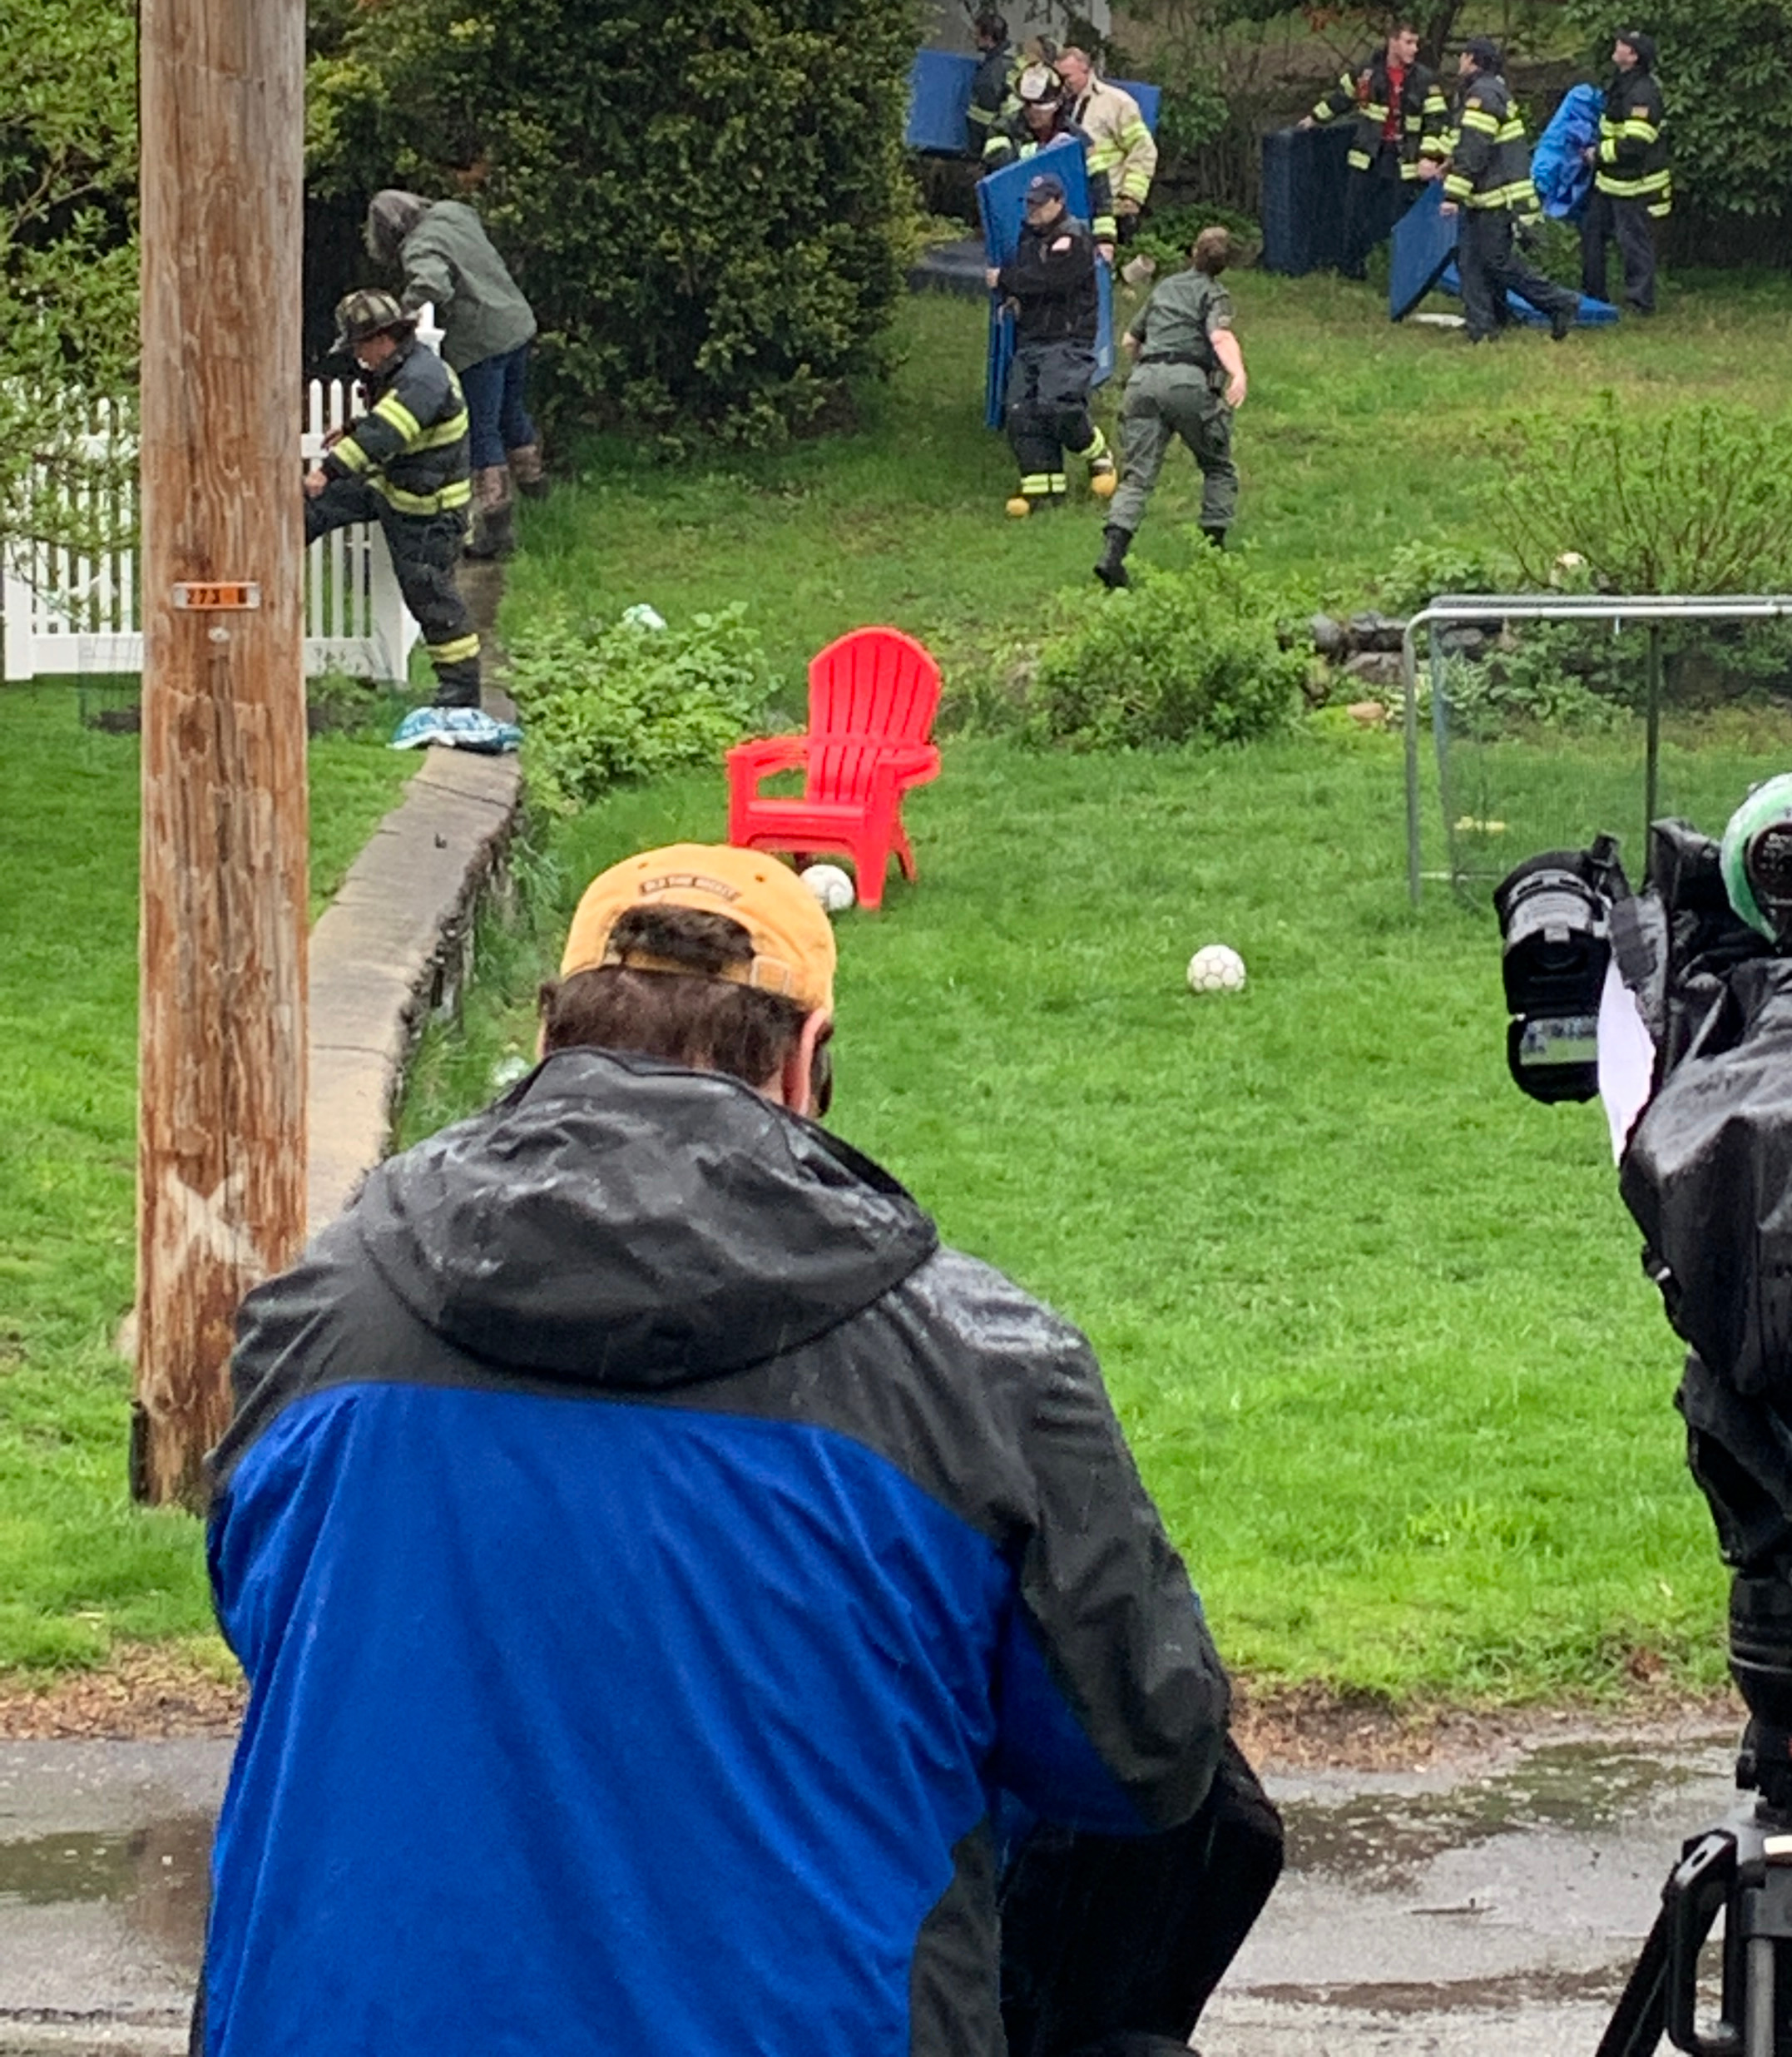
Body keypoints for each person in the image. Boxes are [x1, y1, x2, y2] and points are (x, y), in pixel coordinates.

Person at [195, 842, 1280, 2056]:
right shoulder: (982, 1370)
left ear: (547, 1039)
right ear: (809, 1058)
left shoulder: (314, 1320)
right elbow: (1148, 1752)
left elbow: (264, 1613)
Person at [303, 288, 483, 711]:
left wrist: (327, 471)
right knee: (313, 510)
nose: (358, 357)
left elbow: (387, 433)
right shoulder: (407, 369)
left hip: (430, 512)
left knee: (431, 596)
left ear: (382, 339)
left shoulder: (423, 377)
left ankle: (461, 690)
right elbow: (392, 417)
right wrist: (354, 427)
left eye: (359, 346)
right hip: (396, 489)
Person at [364, 187, 540, 561]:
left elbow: (432, 284)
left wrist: (401, 320)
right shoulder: (453, 212)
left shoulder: (419, 247)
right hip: (516, 323)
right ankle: (536, 489)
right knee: (512, 413)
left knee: (483, 429)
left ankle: (496, 528)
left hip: (480, 342)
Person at [1095, 226, 1247, 589]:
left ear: (1193, 252)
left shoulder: (1165, 288)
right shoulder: (1214, 294)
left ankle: (1112, 555)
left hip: (1143, 383)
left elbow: (1130, 340)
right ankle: (1213, 552)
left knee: (1137, 476)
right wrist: (1238, 373)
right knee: (1217, 466)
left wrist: (1147, 368)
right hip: (1189, 383)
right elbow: (1219, 336)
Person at [989, 169, 1116, 513]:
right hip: (1032, 338)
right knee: (1021, 411)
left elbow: (1050, 281)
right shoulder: (1027, 239)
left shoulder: (1074, 236)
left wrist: (1005, 279)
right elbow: (1030, 283)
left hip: (1068, 338)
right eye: (1030, 203)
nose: (1033, 210)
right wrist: (1015, 297)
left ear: (1059, 202)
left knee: (1059, 406)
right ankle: (1043, 490)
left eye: (1040, 203)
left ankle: (1097, 452)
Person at [1439, 38, 1577, 345]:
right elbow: (1472, 144)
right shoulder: (1488, 90)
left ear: (1471, 59)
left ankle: (1559, 302)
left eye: (1462, 57)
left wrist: (1452, 195)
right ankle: (1482, 328)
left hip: (1494, 196)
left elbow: (1475, 150)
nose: (1459, 62)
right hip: (1486, 194)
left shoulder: (1482, 95)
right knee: (1471, 263)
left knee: (1497, 261)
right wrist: (1449, 162)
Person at [1309, 17, 1452, 280]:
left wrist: (1429, 157)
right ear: (1393, 42)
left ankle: (1403, 273)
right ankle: (1351, 268)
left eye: (1416, 43)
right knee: (1355, 213)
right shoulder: (1366, 72)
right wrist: (1314, 119)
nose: (1414, 49)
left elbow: (1437, 120)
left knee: (1400, 215)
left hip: (1405, 157)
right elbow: (1340, 99)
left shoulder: (1425, 79)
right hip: (1368, 154)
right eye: (1408, 42)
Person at [1580, 27, 1670, 318]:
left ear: (1633, 56)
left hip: (1635, 185)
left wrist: (1598, 154)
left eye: (1623, 44)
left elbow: (1636, 143)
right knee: (1592, 233)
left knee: (1634, 244)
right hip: (1610, 182)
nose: (1616, 46)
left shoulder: (1642, 92)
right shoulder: (1622, 85)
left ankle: (1640, 303)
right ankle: (1593, 297)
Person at [988, 63, 1120, 249]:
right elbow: (1000, 167)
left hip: (1066, 229)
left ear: (1057, 104)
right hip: (1016, 229)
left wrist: (1105, 239)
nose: (1032, 112)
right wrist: (1046, 151)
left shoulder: (1077, 139)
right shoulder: (1002, 130)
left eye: (1040, 106)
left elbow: (1100, 188)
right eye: (1027, 104)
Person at [1053, 45, 1159, 250]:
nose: (1061, 84)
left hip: (1108, 206)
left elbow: (1143, 150)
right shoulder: (1054, 107)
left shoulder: (1117, 103)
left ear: (1086, 70)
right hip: (1070, 206)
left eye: (1067, 77)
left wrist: (1131, 196)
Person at [963, 9, 1014, 165]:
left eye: (977, 35)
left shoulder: (992, 72)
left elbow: (982, 118)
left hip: (993, 143)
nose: (974, 38)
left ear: (988, 38)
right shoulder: (1008, 60)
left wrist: (974, 152)